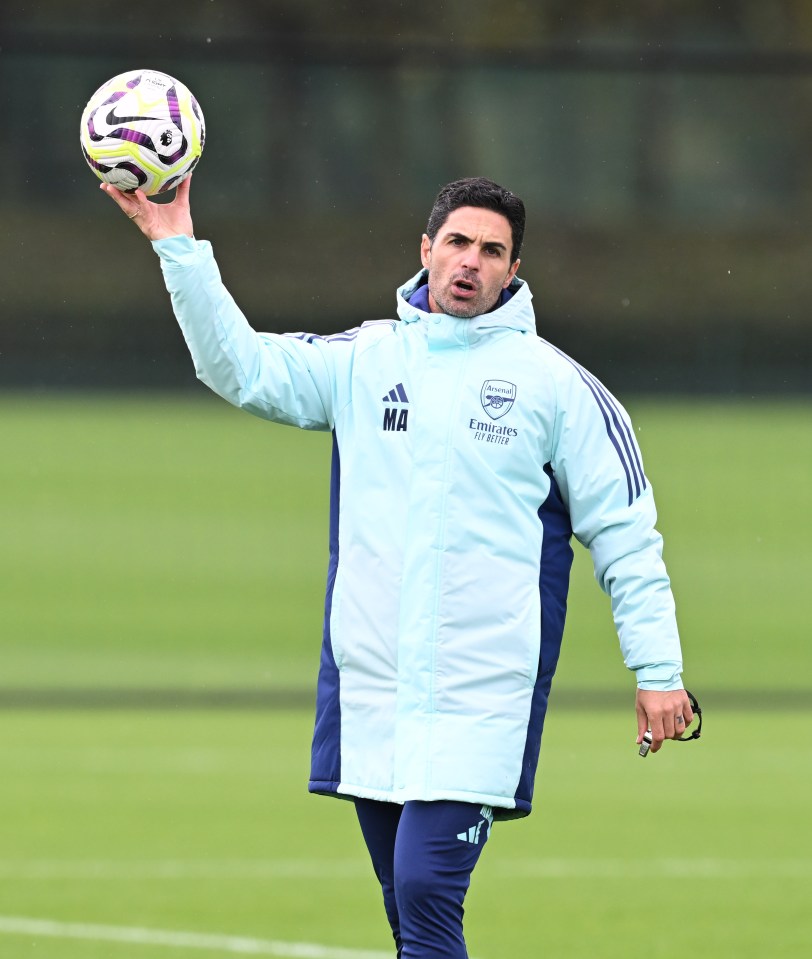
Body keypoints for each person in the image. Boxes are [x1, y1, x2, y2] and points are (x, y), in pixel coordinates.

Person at [101, 174, 693, 959]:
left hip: (482, 697)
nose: (470, 263)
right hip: (374, 691)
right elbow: (238, 367)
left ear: (513, 271)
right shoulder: (366, 357)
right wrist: (176, 240)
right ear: (426, 249)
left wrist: (658, 669)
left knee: (424, 893)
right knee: (405, 910)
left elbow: (627, 536)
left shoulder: (559, 386)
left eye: (492, 251)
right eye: (457, 243)